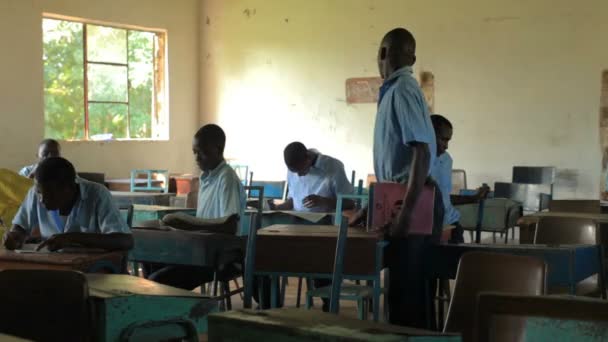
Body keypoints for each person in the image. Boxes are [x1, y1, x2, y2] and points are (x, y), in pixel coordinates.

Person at [373, 28, 444, 328]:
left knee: (407, 295)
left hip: (412, 202)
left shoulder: (401, 89)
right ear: (412, 57)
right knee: (404, 292)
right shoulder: (396, 90)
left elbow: (422, 153)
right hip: (401, 197)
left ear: (383, 54)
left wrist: (406, 212)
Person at [147, 124, 247, 289]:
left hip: (218, 256)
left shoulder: (226, 177)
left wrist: (189, 223)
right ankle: (176, 310)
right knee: (152, 261)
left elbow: (230, 225)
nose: (197, 158)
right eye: (195, 152)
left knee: (156, 280)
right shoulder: (206, 178)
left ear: (218, 148)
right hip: (200, 248)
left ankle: (182, 311)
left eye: (202, 152)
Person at [3, 157, 133, 251]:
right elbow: (19, 227)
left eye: (51, 195)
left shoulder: (97, 194)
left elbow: (125, 241)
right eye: (39, 193)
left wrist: (72, 238)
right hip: (53, 268)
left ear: (70, 188)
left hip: (94, 270)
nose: (42, 199)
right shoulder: (35, 193)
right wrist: (15, 237)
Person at [430, 114, 489, 243]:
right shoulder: (416, 160)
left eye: (448, 141)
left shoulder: (446, 159)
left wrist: (474, 197)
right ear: (428, 134)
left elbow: (444, 198)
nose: (446, 146)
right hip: (428, 227)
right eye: (443, 139)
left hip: (450, 223)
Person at [270, 142, 355, 212]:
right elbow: (293, 201)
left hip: (325, 226)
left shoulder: (333, 167)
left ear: (308, 158)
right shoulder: (294, 168)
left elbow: (350, 203)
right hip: (296, 222)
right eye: (294, 172)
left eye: (301, 170)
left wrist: (323, 201)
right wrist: (277, 208)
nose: (298, 175)